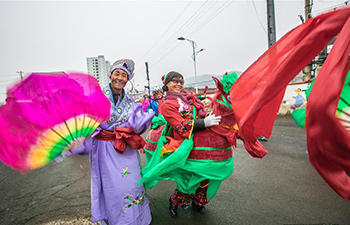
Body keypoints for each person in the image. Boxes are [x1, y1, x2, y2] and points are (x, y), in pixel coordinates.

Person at [59, 59, 154, 225]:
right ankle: (118, 221)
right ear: (110, 75)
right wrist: (78, 140)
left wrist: (141, 124)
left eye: (124, 75)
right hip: (105, 149)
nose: (120, 78)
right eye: (117, 73)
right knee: (115, 190)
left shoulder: (131, 101)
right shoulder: (96, 97)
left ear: (127, 79)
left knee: (133, 184)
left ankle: (137, 219)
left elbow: (136, 125)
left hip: (126, 150)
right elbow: (86, 125)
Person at [159, 71, 221, 217]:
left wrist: (208, 116)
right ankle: (174, 201)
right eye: (175, 81)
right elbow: (180, 126)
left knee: (205, 174)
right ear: (167, 84)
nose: (179, 84)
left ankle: (199, 201)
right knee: (189, 177)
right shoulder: (167, 104)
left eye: (181, 81)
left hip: (201, 141)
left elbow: (201, 113)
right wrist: (203, 123)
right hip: (183, 144)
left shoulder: (188, 98)